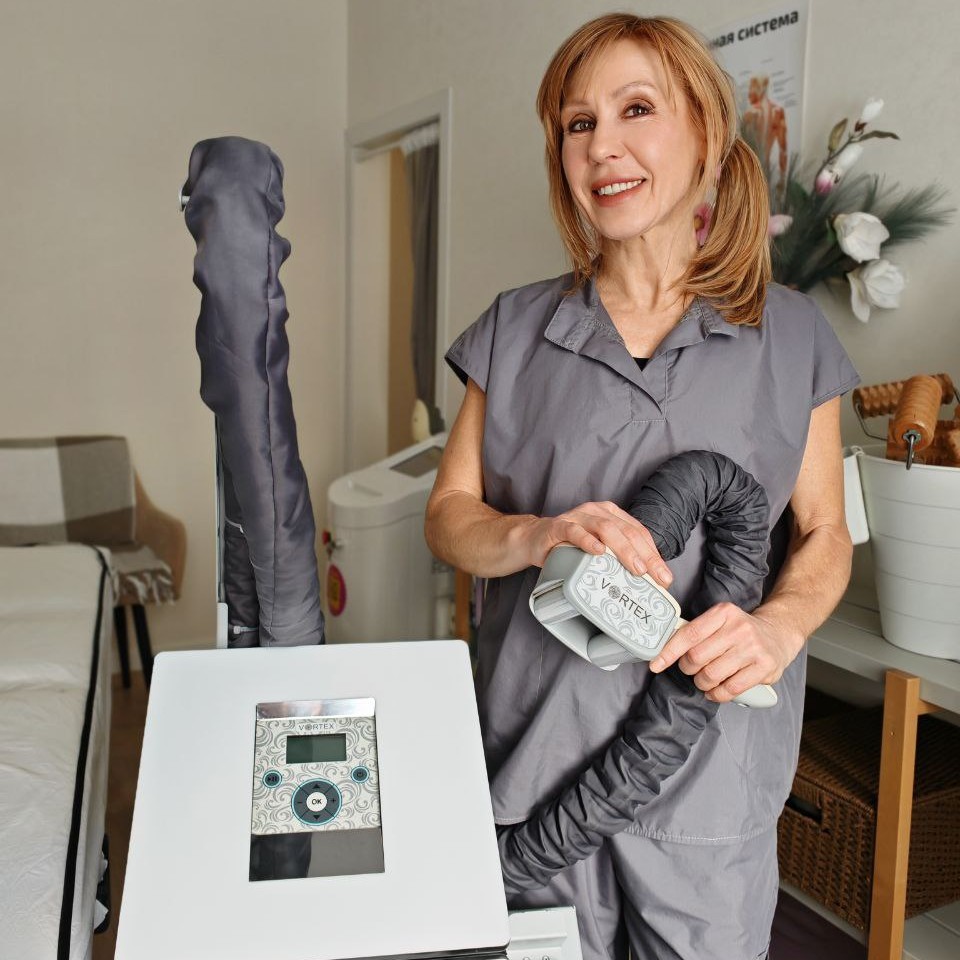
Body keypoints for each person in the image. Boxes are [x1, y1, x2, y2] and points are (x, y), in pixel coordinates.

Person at [425, 13, 858, 960]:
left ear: (705, 132)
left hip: (710, 776)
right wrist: (537, 535)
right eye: (578, 124)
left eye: (635, 110)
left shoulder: (793, 337)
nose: (602, 146)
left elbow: (826, 532)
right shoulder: (513, 330)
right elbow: (450, 517)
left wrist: (780, 629)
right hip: (534, 761)